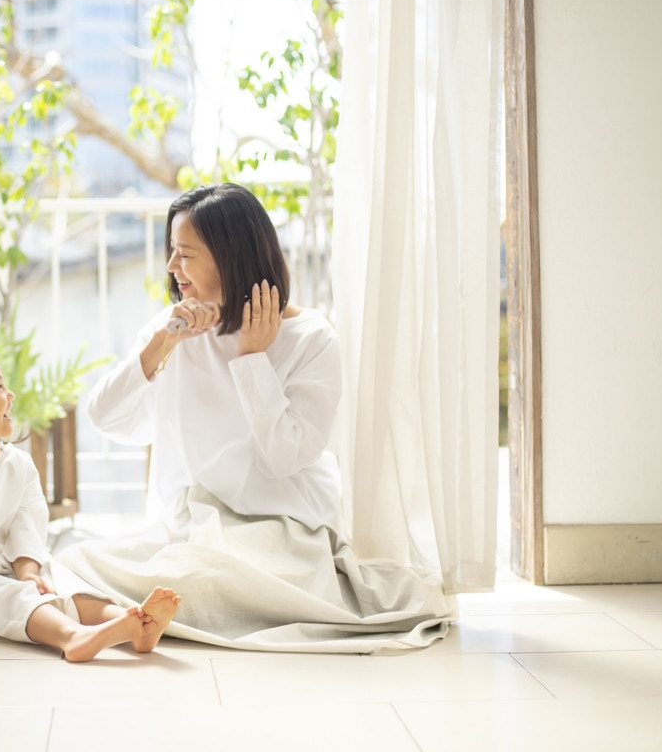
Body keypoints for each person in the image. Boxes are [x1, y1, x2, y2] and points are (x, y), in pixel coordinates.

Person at [57, 183, 457, 653]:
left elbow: (287, 457)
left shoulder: (311, 338)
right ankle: (127, 622)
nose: (171, 268)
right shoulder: (174, 331)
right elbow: (108, 419)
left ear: (230, 256)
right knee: (71, 561)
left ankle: (142, 614)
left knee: (209, 576)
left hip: (281, 527)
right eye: (171, 253)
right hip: (192, 525)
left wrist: (251, 359)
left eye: (184, 254)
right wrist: (161, 343)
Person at [0, 346, 181, 662]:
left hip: (3, 572)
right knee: (9, 595)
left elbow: (26, 526)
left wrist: (28, 572)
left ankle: (130, 621)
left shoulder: (18, 465)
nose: (10, 394)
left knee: (58, 577)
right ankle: (73, 637)